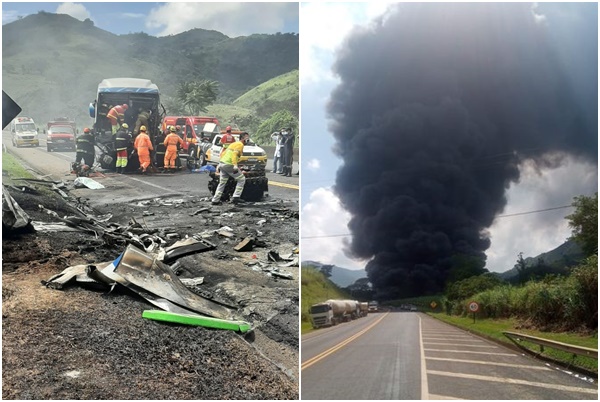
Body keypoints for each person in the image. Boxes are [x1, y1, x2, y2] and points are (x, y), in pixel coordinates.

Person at [211, 131, 250, 205]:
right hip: (229, 164)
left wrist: (220, 164)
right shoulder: (240, 144)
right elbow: (234, 155)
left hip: (223, 163)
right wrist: (235, 165)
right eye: (247, 137)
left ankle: (215, 200)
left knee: (222, 183)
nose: (248, 139)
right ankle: (236, 197)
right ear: (242, 138)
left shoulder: (234, 144)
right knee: (241, 179)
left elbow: (224, 153)